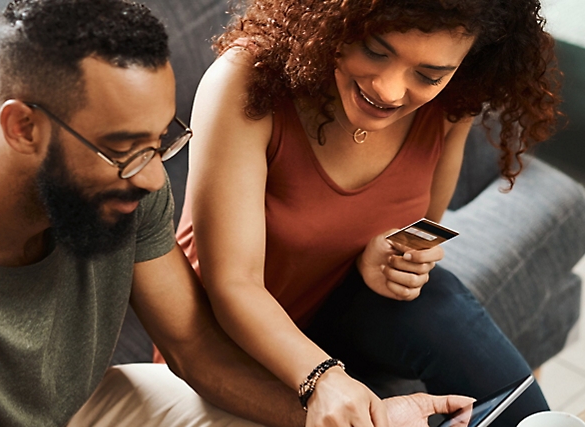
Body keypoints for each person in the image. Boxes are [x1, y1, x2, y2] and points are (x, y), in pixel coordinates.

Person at [0, 0, 475, 425]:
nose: (152, 176)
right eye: (122, 148)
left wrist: (346, 410)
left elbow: (193, 345)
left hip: (76, 406)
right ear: (23, 128)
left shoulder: (127, 176)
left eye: (159, 140)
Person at [177, 0, 562, 426]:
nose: (390, 90)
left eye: (429, 75)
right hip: (233, 340)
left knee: (441, 305)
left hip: (343, 310)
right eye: (376, 52)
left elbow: (425, 222)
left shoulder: (454, 102)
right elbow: (233, 284)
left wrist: (393, 257)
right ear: (333, 18)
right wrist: (322, 376)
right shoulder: (249, 78)